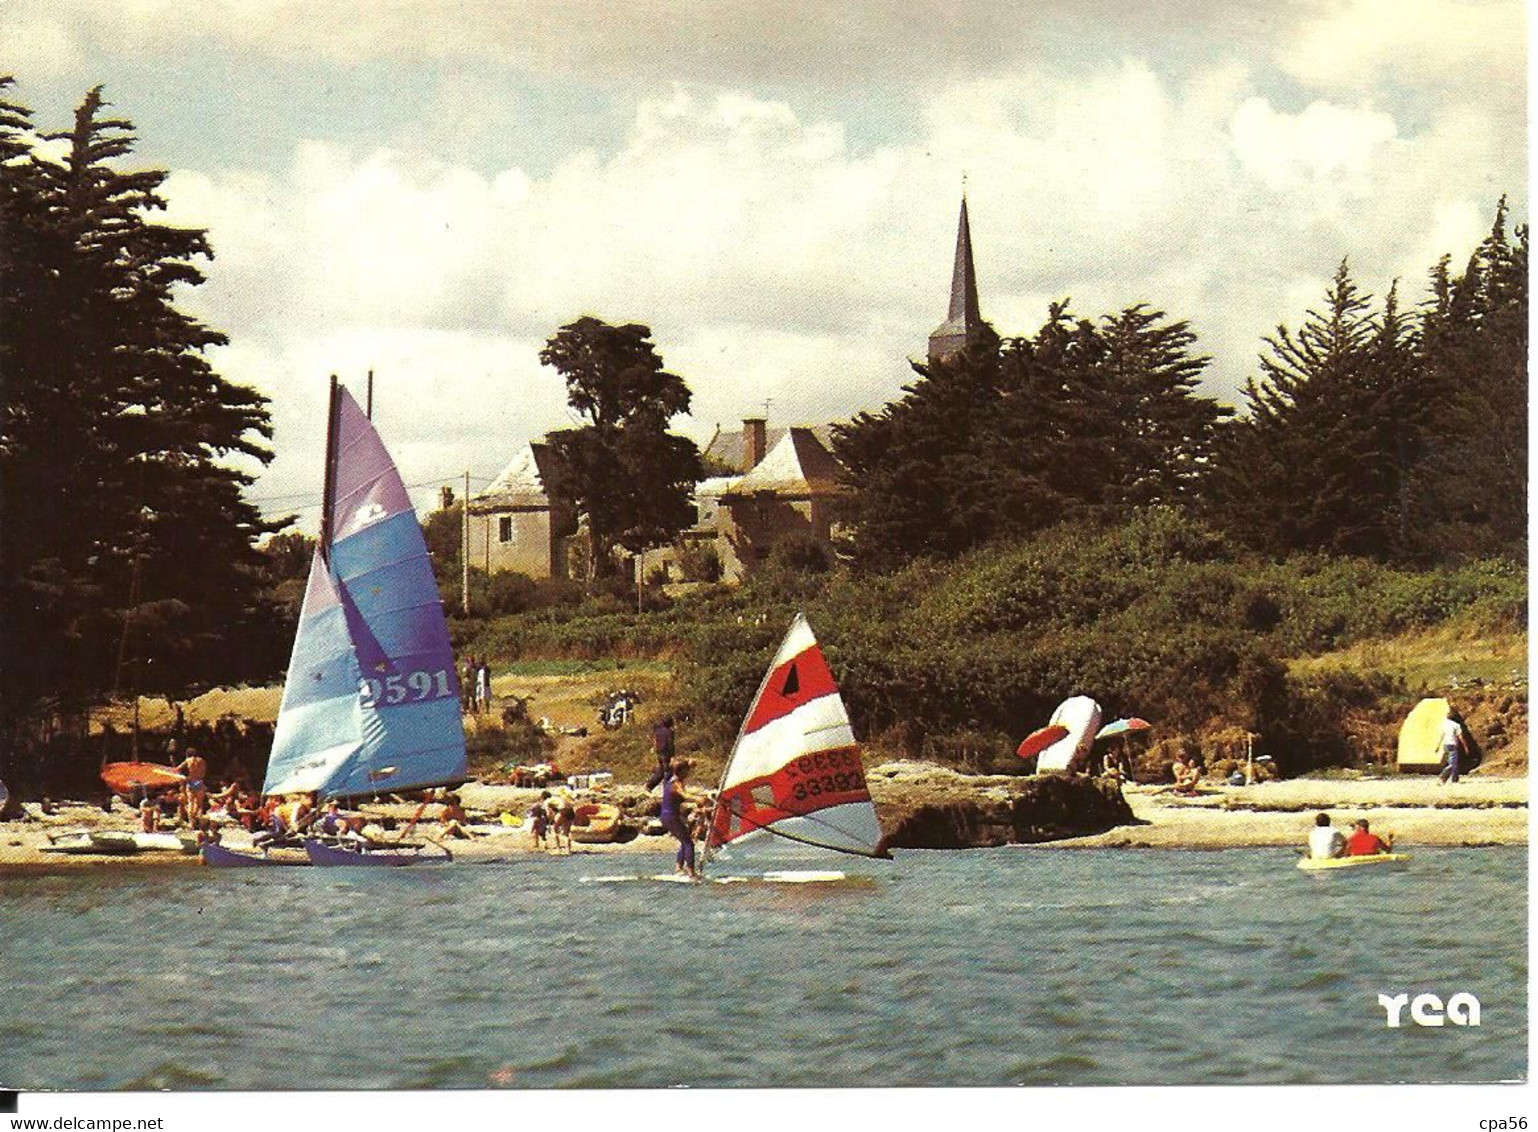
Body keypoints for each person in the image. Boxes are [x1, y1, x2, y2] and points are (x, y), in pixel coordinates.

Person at [661, 757, 697, 878]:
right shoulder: (677, 783)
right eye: (687, 771)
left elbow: (680, 762)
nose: (688, 774)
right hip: (670, 816)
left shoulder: (671, 780)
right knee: (689, 843)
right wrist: (699, 799)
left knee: (684, 841)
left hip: (668, 816)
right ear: (682, 772)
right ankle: (691, 873)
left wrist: (689, 763)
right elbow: (684, 795)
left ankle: (678, 868)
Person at [172, 747, 209, 824]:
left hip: (191, 781)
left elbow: (177, 769)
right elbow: (204, 771)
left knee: (190, 802)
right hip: (199, 781)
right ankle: (195, 817)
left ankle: (191, 821)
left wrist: (184, 777)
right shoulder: (201, 760)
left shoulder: (188, 760)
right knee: (198, 803)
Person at [1437, 707, 1468, 785]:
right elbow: (1460, 737)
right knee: (1452, 764)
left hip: (1445, 745)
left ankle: (1454, 779)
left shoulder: (1444, 724)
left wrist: (1437, 746)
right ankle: (1442, 777)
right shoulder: (1456, 725)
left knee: (1453, 763)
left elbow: (1441, 736)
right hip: (1452, 745)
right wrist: (1465, 747)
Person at [646, 716, 677, 790]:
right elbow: (670, 744)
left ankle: (650, 785)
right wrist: (672, 755)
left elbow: (655, 741)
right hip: (666, 753)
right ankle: (666, 789)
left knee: (661, 771)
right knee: (668, 771)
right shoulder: (669, 732)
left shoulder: (657, 731)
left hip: (659, 752)